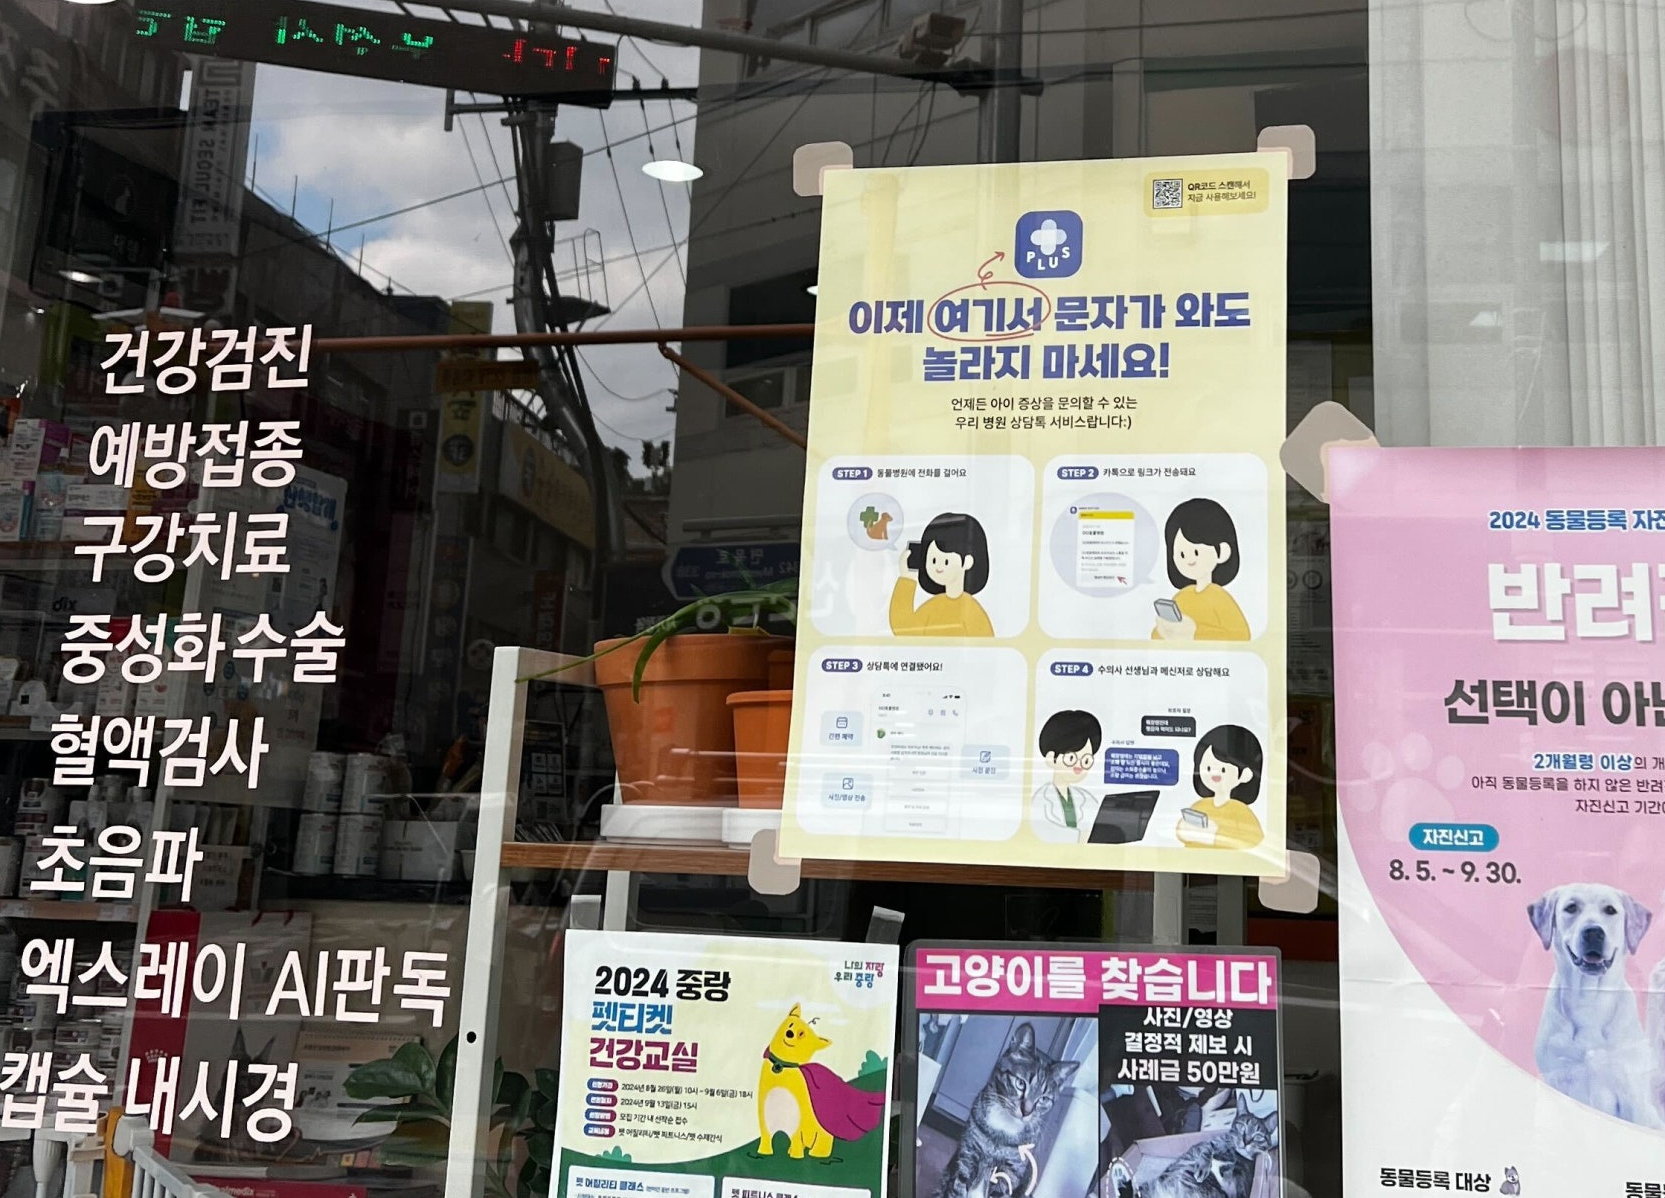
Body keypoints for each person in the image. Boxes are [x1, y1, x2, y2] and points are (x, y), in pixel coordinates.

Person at [1152, 497, 1250, 641]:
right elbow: (1155, 638)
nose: (1189, 560)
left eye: (1196, 552)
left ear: (1222, 552)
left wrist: (1194, 634)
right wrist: (1162, 630)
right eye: (1182, 554)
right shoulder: (1181, 597)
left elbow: (1241, 636)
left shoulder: (1219, 597)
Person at [889, 512, 995, 636]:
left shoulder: (972, 610)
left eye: (946, 561)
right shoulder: (933, 607)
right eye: (933, 560)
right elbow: (904, 629)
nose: (938, 567)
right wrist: (906, 578)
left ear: (967, 562)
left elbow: (985, 643)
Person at [1176, 725, 1264, 850]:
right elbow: (1181, 832)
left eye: (1223, 769)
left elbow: (1254, 839)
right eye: (1208, 768)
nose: (1215, 773)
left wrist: (1214, 836)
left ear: (1245, 775)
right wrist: (1183, 828)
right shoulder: (1199, 806)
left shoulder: (1240, 810)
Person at [1030, 710, 1102, 843]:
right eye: (1071, 758)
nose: (1079, 765)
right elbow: (1044, 833)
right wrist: (1081, 836)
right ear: (1051, 758)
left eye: (1086, 760)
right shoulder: (1041, 799)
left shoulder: (1087, 799)